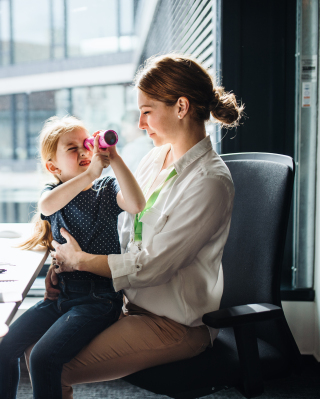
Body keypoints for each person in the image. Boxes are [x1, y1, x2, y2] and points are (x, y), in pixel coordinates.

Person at [39, 54, 244, 398]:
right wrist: (69, 268)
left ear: (181, 107)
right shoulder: (155, 157)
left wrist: (80, 260)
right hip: (125, 304)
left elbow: (150, 267)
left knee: (49, 364)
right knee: (30, 346)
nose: (139, 124)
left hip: (172, 324)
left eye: (147, 111)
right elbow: (124, 235)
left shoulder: (209, 182)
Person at [0, 116, 145, 399]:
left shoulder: (106, 189)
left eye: (86, 145)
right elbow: (46, 206)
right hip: (62, 296)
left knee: (41, 358)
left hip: (98, 301)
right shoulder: (53, 194)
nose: (84, 152)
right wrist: (89, 175)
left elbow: (137, 204)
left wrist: (114, 159)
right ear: (53, 166)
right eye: (72, 149)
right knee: (3, 347)